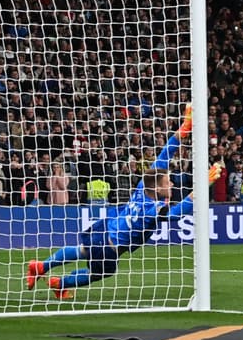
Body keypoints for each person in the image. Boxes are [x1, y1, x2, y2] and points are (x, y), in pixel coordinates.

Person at [24, 105, 221, 299]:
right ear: (158, 188)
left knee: (81, 250)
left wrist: (182, 131)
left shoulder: (144, 187)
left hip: (103, 228)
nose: (171, 183)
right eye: (168, 181)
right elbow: (175, 214)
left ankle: (42, 266)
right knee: (100, 273)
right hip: (110, 246)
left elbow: (164, 155)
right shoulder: (153, 208)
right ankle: (60, 283)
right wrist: (202, 187)